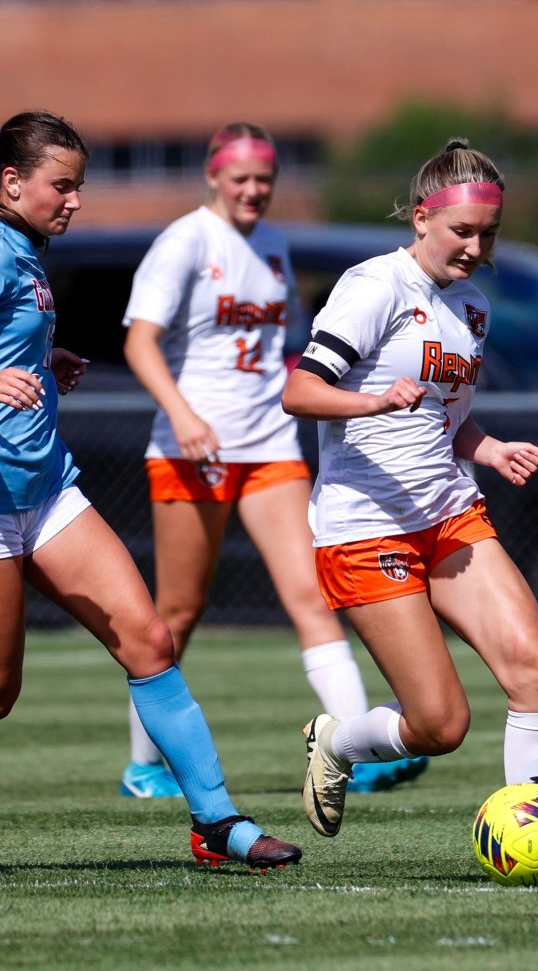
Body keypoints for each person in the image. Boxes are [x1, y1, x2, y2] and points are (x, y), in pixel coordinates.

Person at [281, 137, 538, 887]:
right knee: (440, 726)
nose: (476, 248)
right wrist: (371, 401)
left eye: (488, 234)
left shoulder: (472, 305)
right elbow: (299, 391)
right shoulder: (373, 287)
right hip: (366, 528)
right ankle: (338, 743)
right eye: (462, 231)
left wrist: (489, 448)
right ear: (422, 217)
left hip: (450, 514)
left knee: (536, 670)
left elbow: (444, 420)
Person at [0, 109, 300, 871]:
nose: (75, 200)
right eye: (61, 186)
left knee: (150, 639)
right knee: (0, 689)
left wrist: (41, 360)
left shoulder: (25, 250)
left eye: (79, 185)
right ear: (10, 183)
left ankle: (216, 822)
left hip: (46, 489)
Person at [120, 121, 427, 799]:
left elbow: (284, 348)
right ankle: (142, 767)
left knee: (311, 596)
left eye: (264, 179)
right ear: (213, 177)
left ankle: (355, 749)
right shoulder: (184, 241)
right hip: (192, 448)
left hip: (268, 445)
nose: (253, 190)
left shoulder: (274, 245)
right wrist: (183, 415)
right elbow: (139, 342)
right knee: (177, 611)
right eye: (241, 178)